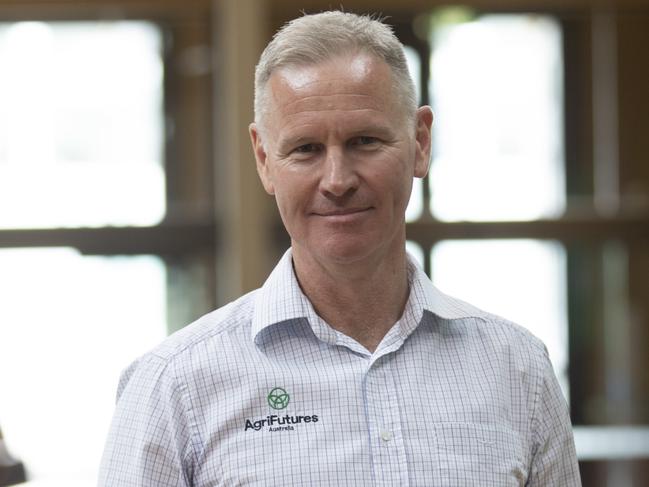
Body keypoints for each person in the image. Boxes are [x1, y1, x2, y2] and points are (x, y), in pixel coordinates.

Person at [98, 11, 581, 486]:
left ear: (419, 141)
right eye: (305, 149)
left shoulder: (518, 370)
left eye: (364, 141)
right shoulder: (173, 386)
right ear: (264, 159)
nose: (337, 180)